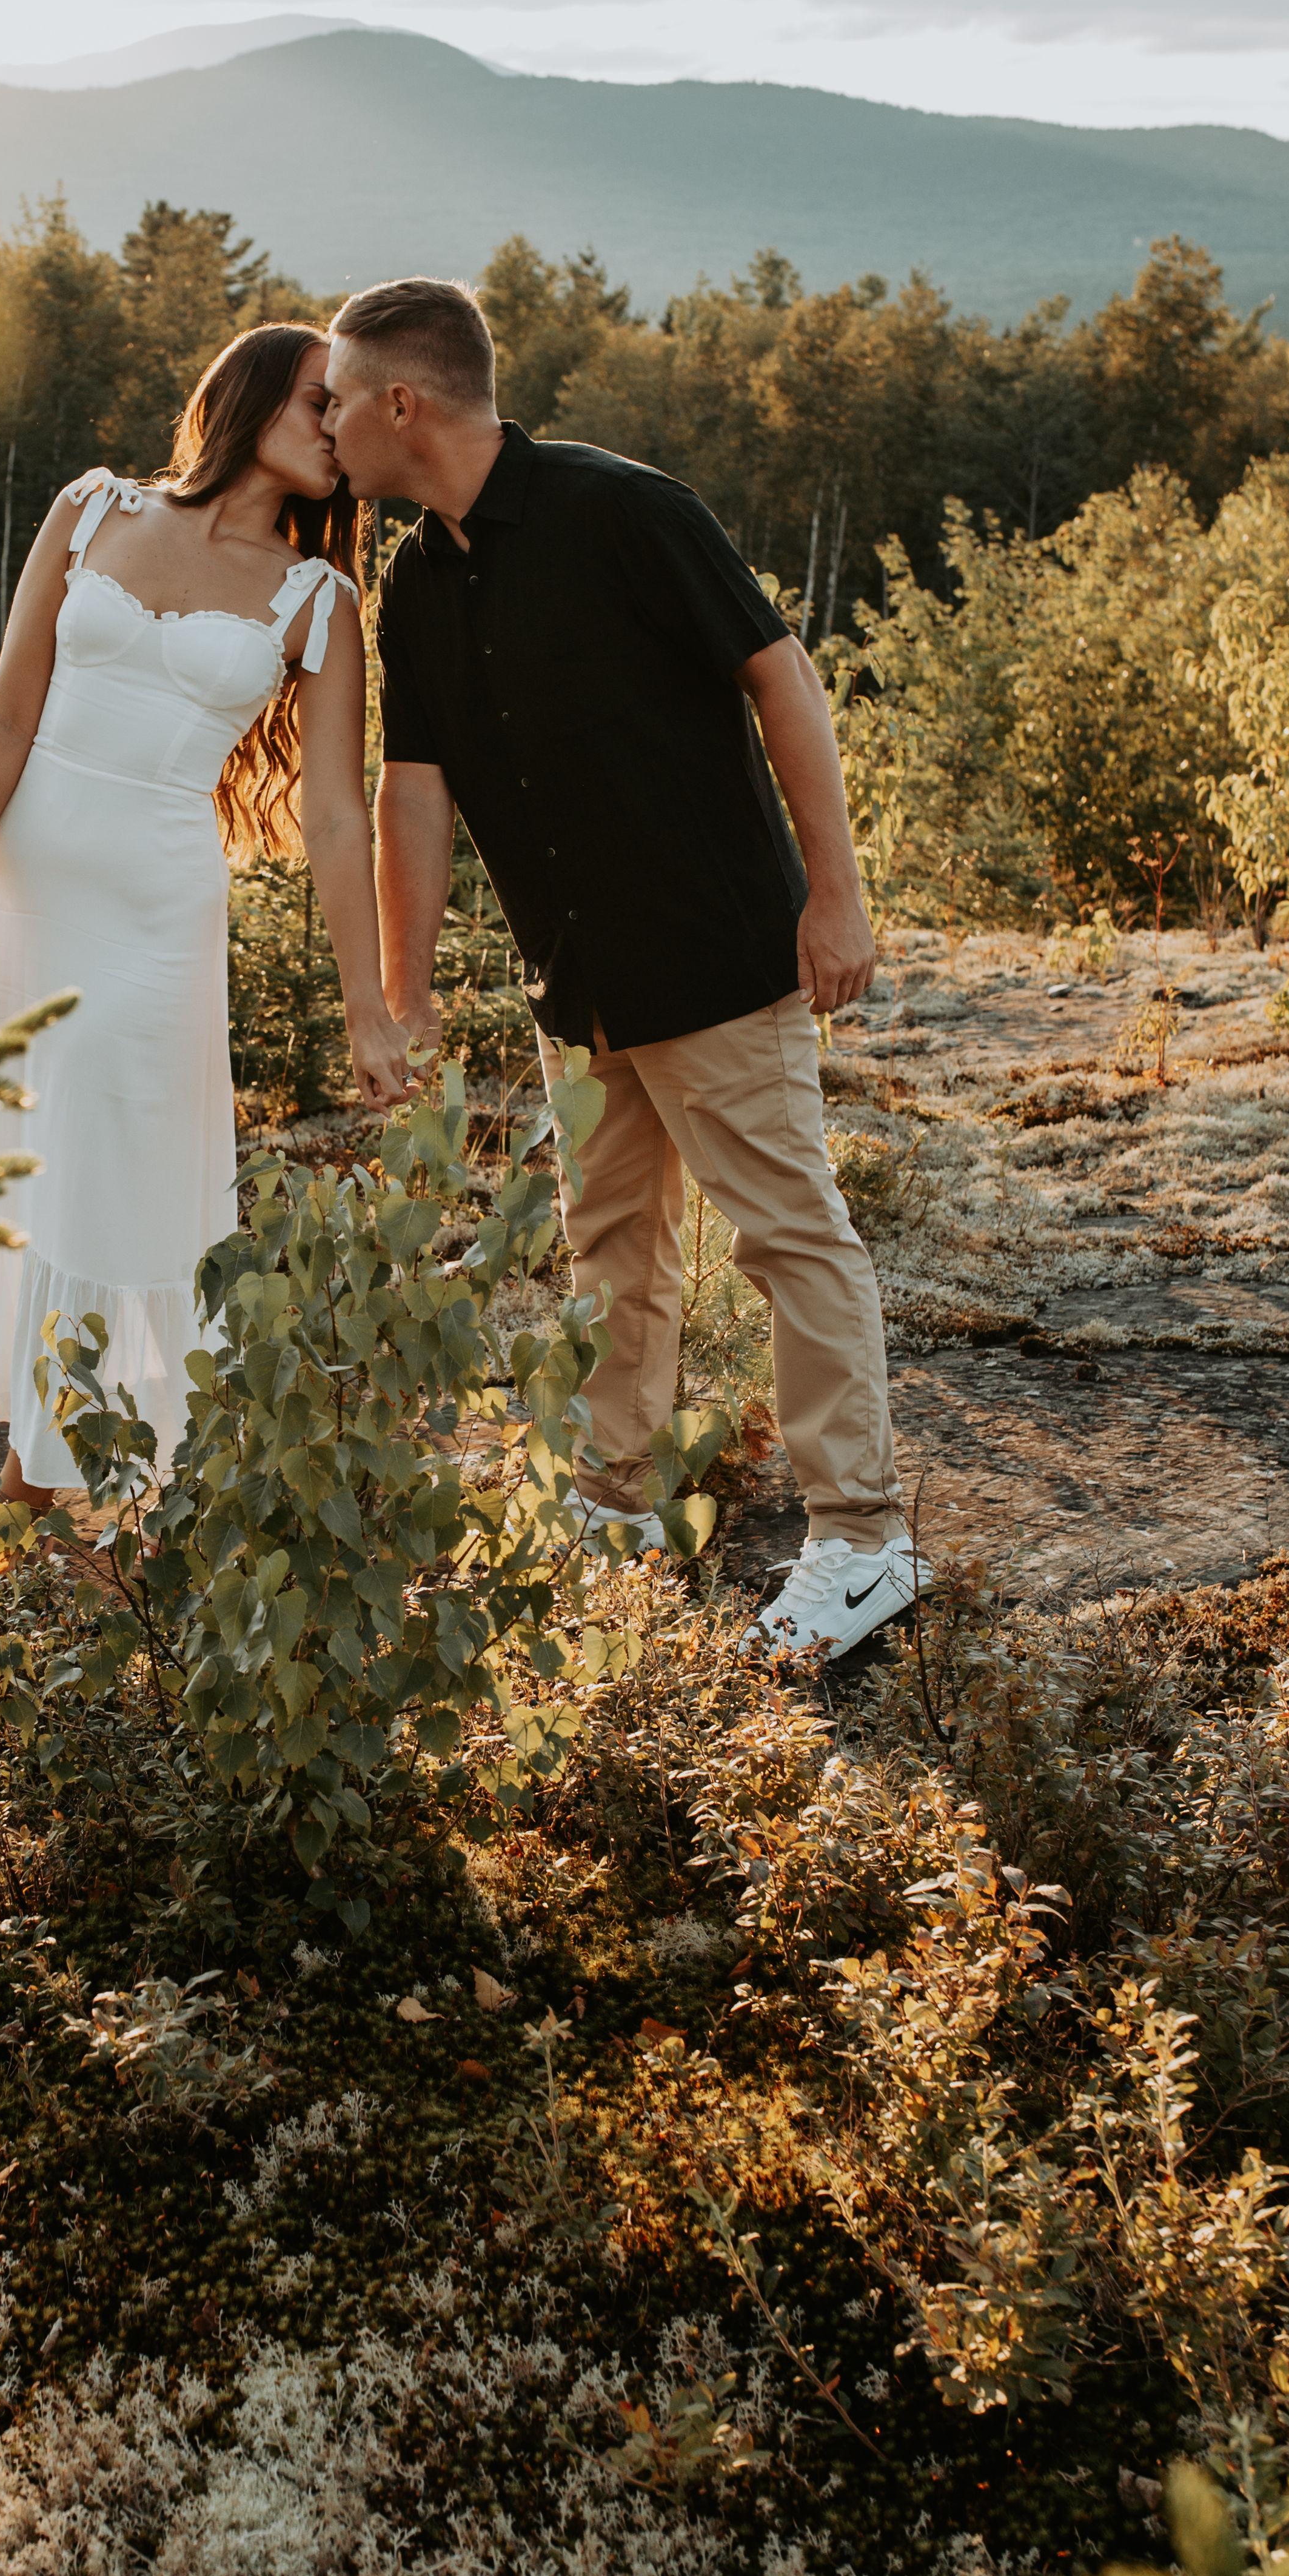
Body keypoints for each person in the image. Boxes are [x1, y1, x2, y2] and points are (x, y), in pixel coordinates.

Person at [326, 276, 925, 1663]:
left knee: (787, 1236)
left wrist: (837, 897)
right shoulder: (413, 580)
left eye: (338, 401)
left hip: (716, 953)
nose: (327, 428)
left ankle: (863, 1540)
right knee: (611, 1247)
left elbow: (782, 678)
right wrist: (407, 994)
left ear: (402, 403)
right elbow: (414, 791)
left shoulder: (627, 511)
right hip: (577, 981)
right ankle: (616, 1505)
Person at [0, 324, 414, 1560]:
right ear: (249, 396)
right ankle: (58, 1483)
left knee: (114, 1172)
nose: (336, 428)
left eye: (344, 410)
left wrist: (367, 1002)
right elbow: (8, 711)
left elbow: (337, 816)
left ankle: (62, 1497)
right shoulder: (92, 508)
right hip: (34, 902)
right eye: (317, 401)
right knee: (39, 1160)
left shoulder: (319, 600)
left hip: (153, 915)